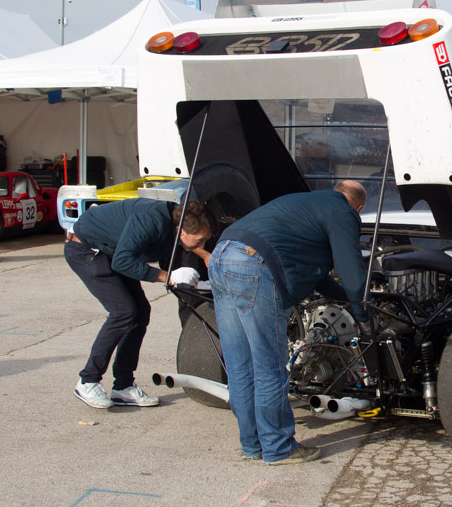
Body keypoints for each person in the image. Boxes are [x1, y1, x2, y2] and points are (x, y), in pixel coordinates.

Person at [209, 180, 369, 465]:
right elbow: (351, 271)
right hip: (253, 265)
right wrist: (363, 314)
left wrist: (343, 299)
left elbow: (318, 275)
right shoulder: (343, 212)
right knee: (269, 365)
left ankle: (253, 445)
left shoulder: (305, 202)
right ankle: (279, 448)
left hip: (222, 255)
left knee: (240, 363)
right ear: (358, 207)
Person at [66, 198, 214, 408]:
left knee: (141, 312)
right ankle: (88, 380)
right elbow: (123, 261)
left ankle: (124, 386)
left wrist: (199, 273)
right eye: (200, 240)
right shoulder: (150, 222)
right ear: (182, 231)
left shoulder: (177, 221)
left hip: (112, 251)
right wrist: (170, 277)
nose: (202, 245)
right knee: (123, 312)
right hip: (87, 250)